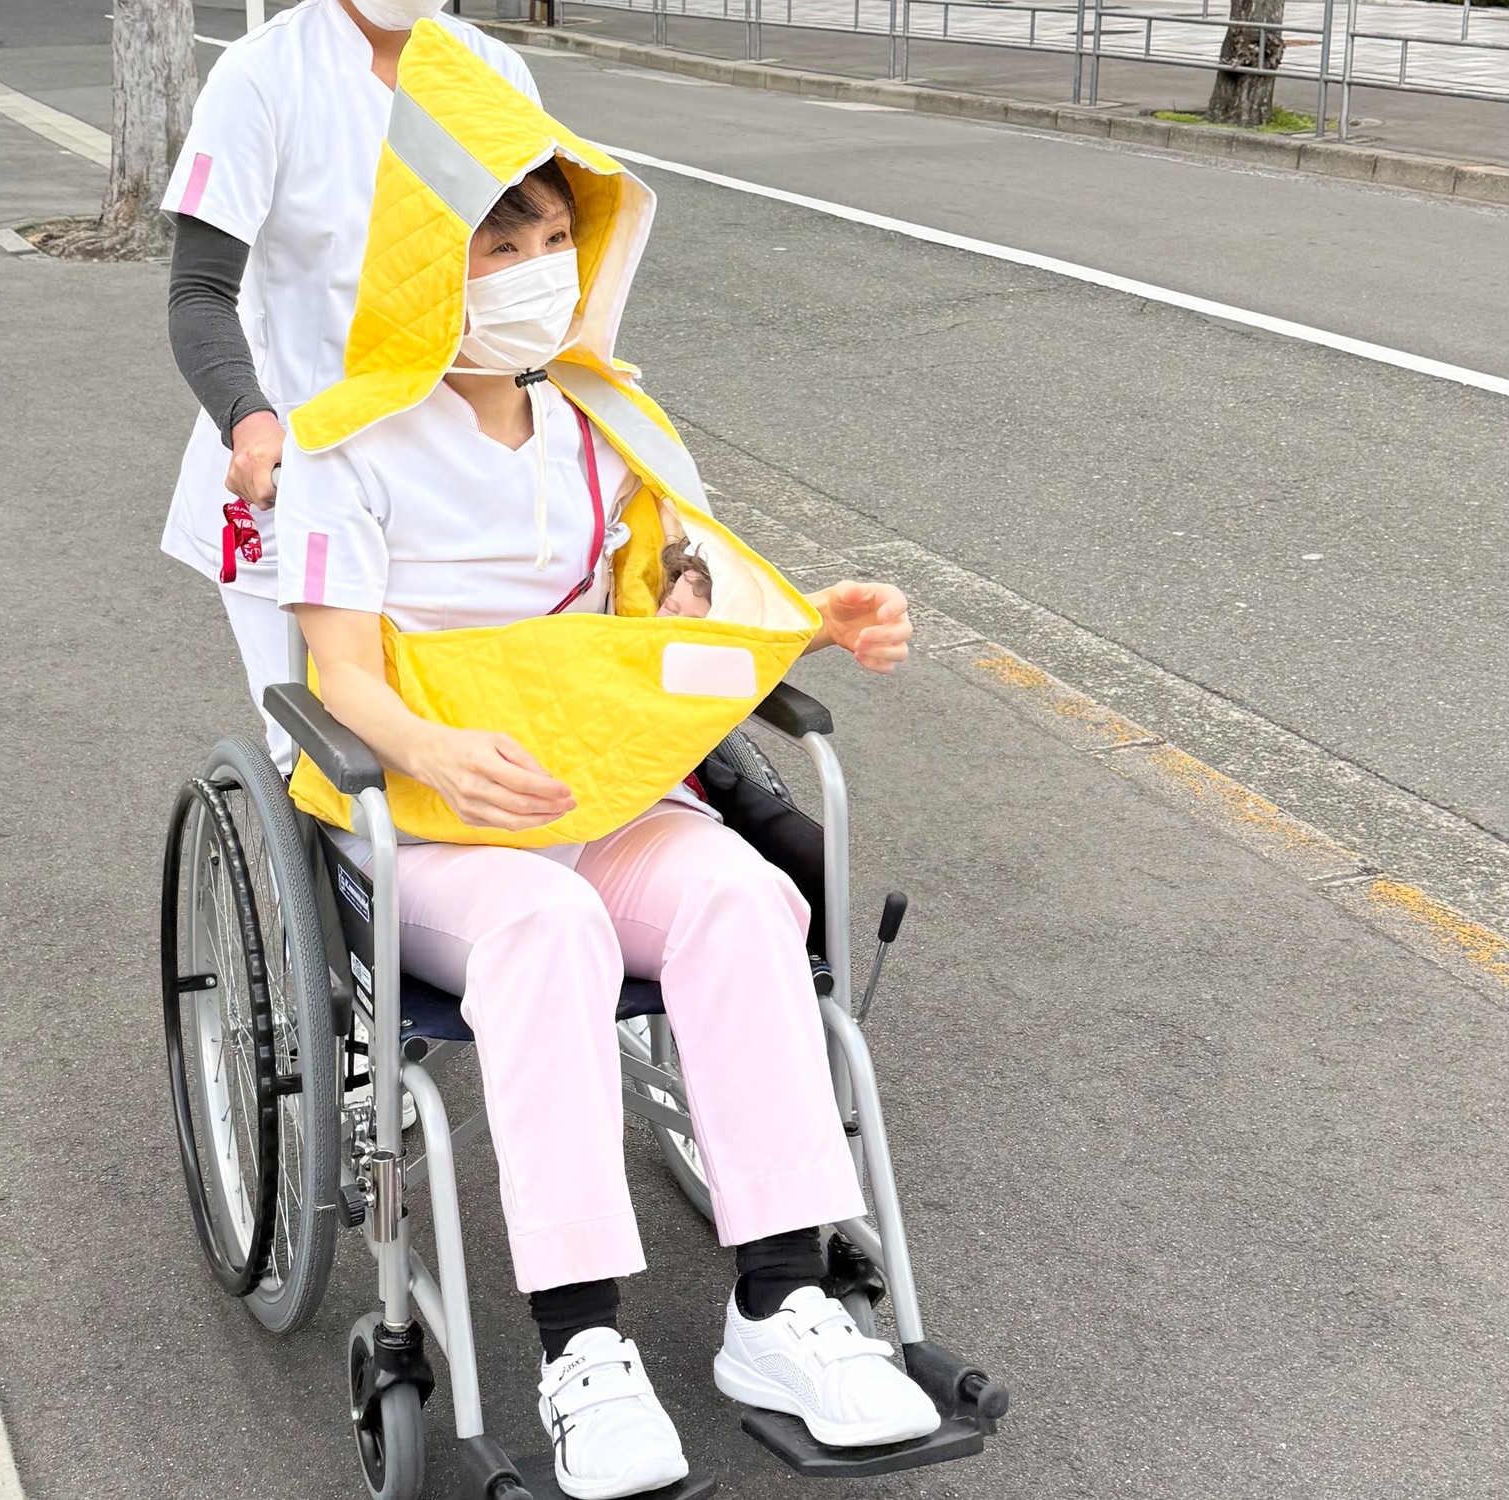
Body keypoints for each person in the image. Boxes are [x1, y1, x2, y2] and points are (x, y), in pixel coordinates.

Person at [273, 47, 941, 1498]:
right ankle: (581, 1346)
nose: (534, 271)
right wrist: (437, 748)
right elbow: (338, 677)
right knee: (547, 927)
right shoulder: (344, 448)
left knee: (743, 898)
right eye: (496, 246)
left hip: (603, 797)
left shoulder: (605, 422)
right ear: (421, 269)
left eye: (551, 239)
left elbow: (681, 607)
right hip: (432, 828)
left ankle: (780, 1307)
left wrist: (811, 620)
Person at [163, 0, 539, 771]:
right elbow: (200, 293)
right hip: (301, 470)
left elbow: (533, 268)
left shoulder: (493, 71)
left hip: (451, 469)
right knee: (333, 762)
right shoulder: (263, 75)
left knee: (481, 720)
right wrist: (251, 422)